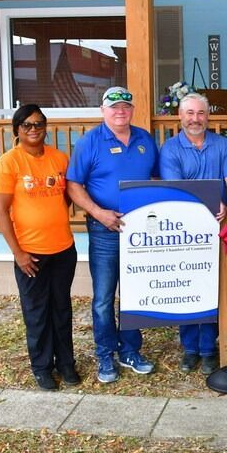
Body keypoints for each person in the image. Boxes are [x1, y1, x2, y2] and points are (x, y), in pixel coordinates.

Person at [66, 87, 158, 384]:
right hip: (105, 229)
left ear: (132, 110)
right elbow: (73, 185)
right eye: (114, 107)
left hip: (139, 232)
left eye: (126, 107)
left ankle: (130, 350)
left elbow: (157, 178)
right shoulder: (90, 142)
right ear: (103, 110)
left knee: (134, 294)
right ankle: (105, 354)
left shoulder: (145, 139)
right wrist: (98, 212)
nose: (121, 111)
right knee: (104, 298)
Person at [0, 104, 79, 391]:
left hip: (63, 249)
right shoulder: (9, 162)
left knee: (62, 308)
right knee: (37, 312)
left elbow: (66, 197)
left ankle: (66, 364)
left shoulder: (59, 158)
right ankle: (42, 367)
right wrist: (18, 253)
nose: (33, 129)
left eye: (38, 124)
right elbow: (1, 211)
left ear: (45, 127)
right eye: (27, 125)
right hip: (30, 254)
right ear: (17, 130)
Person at [159, 92, 227, 376]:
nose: (195, 119)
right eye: (190, 113)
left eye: (200, 113)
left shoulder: (222, 145)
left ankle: (208, 348)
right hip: (184, 229)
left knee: (211, 286)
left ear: (208, 116)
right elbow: (175, 186)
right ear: (180, 116)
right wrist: (208, 201)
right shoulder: (170, 148)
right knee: (186, 285)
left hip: (218, 229)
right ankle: (189, 349)